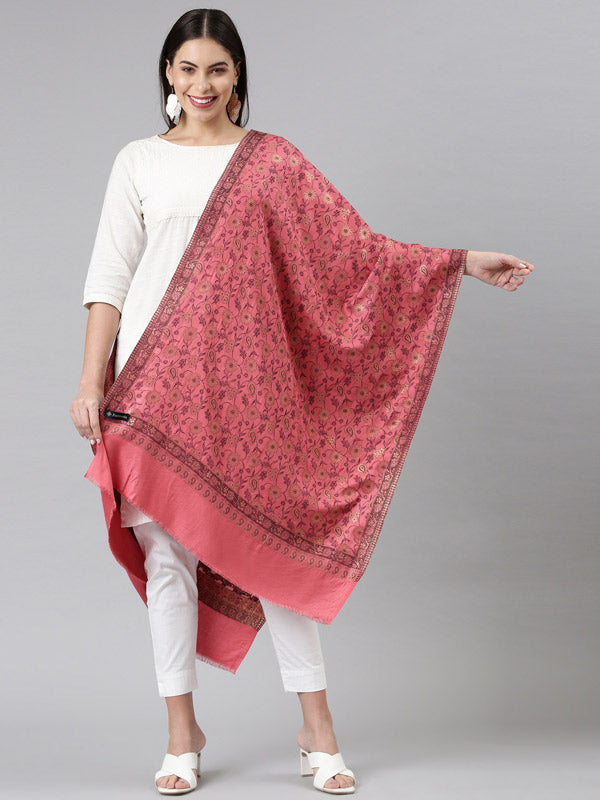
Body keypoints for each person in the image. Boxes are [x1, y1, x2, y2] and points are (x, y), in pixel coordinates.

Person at [70, 8, 534, 797]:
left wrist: (458, 262)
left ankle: (317, 730)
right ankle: (182, 735)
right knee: (168, 561)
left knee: (272, 555)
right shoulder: (138, 161)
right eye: (188, 68)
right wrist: (91, 381)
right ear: (168, 75)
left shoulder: (272, 161)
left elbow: (354, 251)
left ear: (238, 76)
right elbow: (109, 278)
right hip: (153, 385)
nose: (202, 84)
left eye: (218, 68)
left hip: (250, 394)